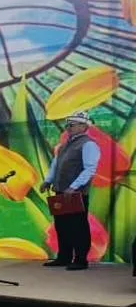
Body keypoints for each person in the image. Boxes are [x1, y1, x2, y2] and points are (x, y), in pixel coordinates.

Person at [41, 111, 100, 271]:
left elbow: (90, 169)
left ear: (83, 126)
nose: (68, 128)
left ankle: (80, 259)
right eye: (67, 125)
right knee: (62, 225)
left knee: (78, 226)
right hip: (61, 192)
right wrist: (48, 181)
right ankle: (64, 257)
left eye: (72, 125)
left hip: (76, 194)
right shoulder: (64, 146)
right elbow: (55, 165)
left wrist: (74, 186)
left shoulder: (88, 144)